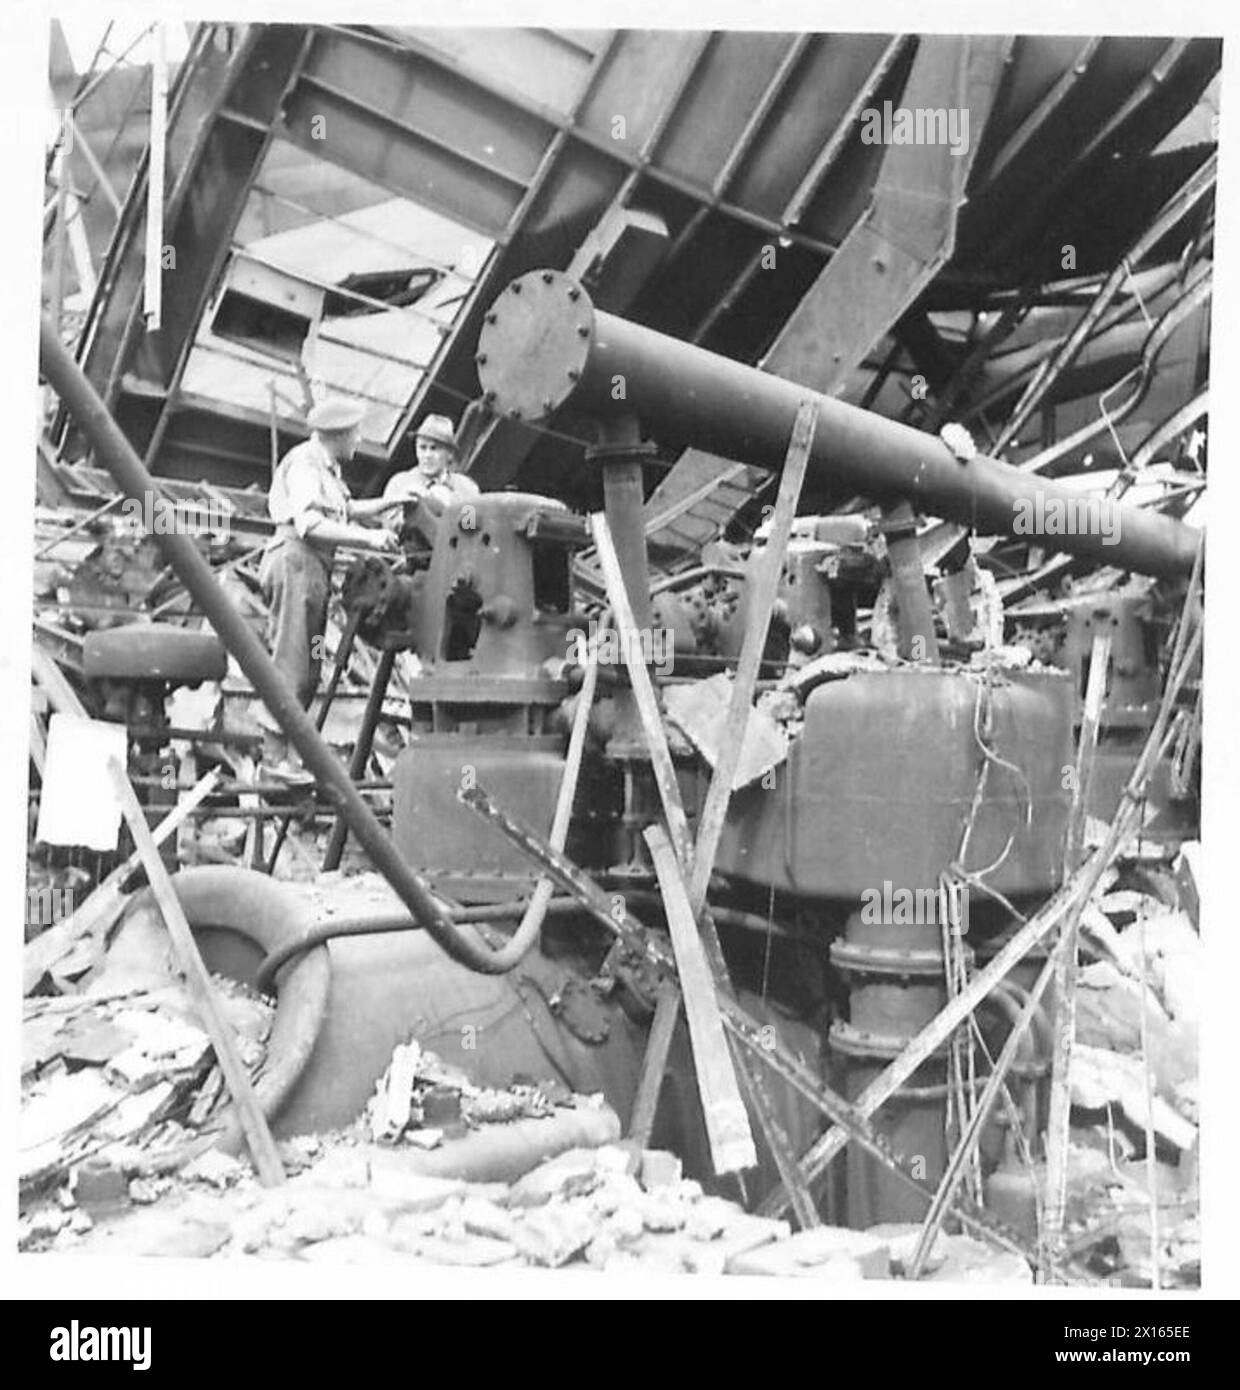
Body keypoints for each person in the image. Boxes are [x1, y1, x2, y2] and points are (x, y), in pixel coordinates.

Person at [258, 398, 401, 776]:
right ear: (338, 435)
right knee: (293, 658)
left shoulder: (327, 468)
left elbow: (345, 510)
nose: (359, 440)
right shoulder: (305, 463)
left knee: (308, 664)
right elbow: (311, 524)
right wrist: (369, 541)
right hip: (296, 561)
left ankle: (287, 752)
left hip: (312, 568)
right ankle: (274, 756)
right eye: (355, 433)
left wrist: (389, 503)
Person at [383, 414, 481, 511]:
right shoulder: (400, 483)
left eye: (434, 448)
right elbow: (389, 524)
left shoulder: (467, 488)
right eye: (422, 447)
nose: (427, 455)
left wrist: (450, 504)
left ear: (450, 454)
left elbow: (469, 526)